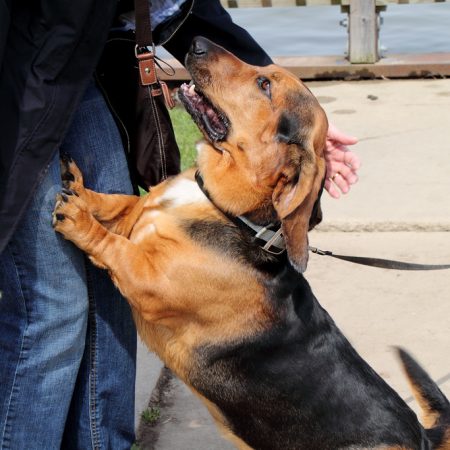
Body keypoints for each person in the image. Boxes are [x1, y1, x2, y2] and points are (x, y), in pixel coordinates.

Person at [0, 0, 359, 448]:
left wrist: (313, 132)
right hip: (15, 67)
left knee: (110, 284)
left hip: (76, 63)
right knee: (54, 306)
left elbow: (179, 7)